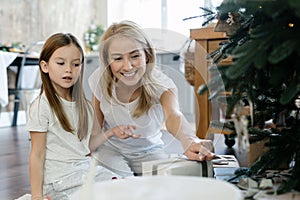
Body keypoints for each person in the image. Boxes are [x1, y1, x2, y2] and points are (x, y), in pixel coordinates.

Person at [88, 20, 215, 177]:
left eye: (135, 56)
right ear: (107, 61)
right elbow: (95, 128)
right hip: (110, 151)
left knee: (164, 184)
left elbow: (173, 116)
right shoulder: (99, 80)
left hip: (149, 152)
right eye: (118, 58)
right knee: (120, 184)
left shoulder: (163, 84)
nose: (127, 66)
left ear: (147, 55)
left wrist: (189, 140)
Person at [26, 33, 119, 200]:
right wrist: (36, 196)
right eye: (61, 63)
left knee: (121, 185)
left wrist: (111, 132)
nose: (69, 69)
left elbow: (86, 148)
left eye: (76, 64)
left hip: (83, 171)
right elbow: (37, 154)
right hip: (59, 179)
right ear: (45, 66)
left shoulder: (85, 107)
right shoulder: (42, 106)